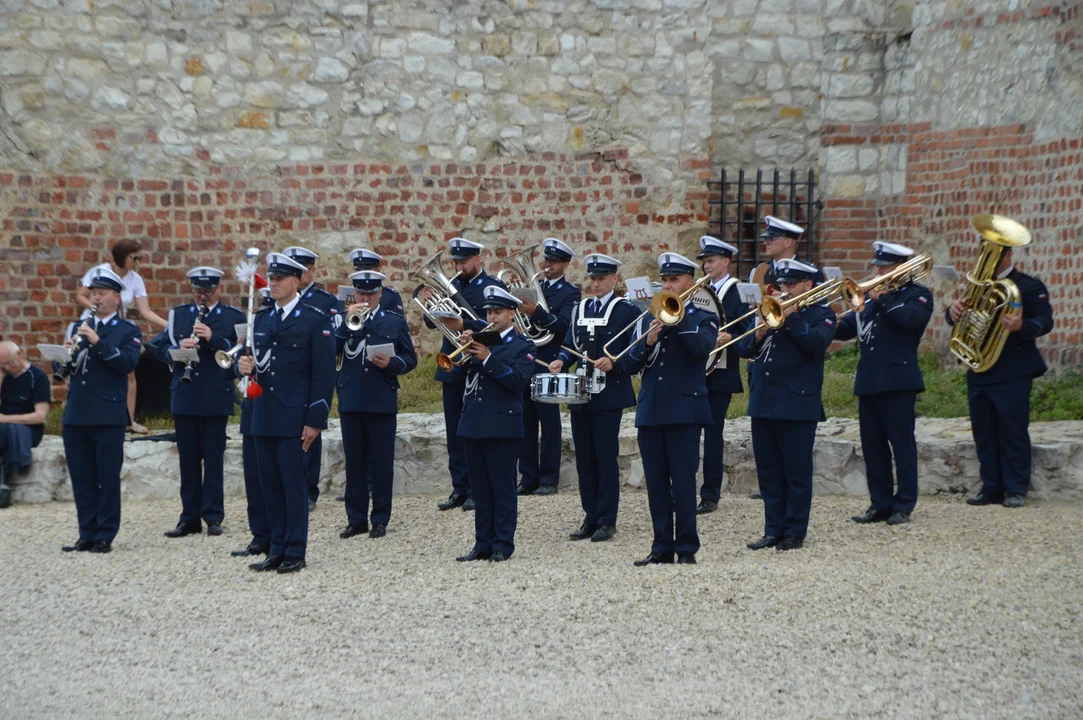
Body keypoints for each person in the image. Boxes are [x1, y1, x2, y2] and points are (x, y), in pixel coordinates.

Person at [236, 253, 335, 574]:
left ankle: (295, 550)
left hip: (294, 416)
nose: (274, 283)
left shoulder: (313, 319)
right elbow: (251, 363)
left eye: (280, 278)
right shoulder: (261, 320)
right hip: (263, 414)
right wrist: (243, 366)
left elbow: (322, 375)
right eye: (271, 278)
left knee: (293, 487)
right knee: (270, 488)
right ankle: (275, 548)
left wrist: (315, 420)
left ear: (296, 280)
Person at [625, 253, 719, 566]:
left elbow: (703, 349)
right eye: (664, 280)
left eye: (674, 280)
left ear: (690, 284)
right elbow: (627, 364)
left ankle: (687, 548)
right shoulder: (647, 317)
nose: (667, 285)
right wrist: (648, 341)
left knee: (682, 483)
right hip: (651, 411)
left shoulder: (702, 316)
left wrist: (679, 317)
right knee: (656, 486)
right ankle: (661, 547)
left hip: (684, 412)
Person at [739, 259, 835, 552]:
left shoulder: (823, 314)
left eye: (791, 284)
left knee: (796, 473)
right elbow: (744, 350)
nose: (785, 290)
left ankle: (794, 531)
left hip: (797, 403)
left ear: (808, 285)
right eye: (782, 285)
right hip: (764, 401)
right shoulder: (769, 311)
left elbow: (817, 344)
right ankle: (773, 529)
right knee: (768, 473)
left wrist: (791, 317)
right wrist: (757, 334)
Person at [948, 246, 1054, 508]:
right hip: (980, 366)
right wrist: (952, 312)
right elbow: (968, 319)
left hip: (1013, 369)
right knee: (983, 431)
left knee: (1013, 430)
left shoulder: (1027, 286)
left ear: (1007, 256)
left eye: (993, 254)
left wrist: (1022, 326)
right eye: (984, 253)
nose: (985, 259)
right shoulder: (978, 285)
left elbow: (1045, 321)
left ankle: (1016, 488)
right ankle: (991, 487)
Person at [836, 242, 934, 525]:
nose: (878, 271)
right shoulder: (872, 301)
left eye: (885, 266)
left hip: (899, 380)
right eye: (877, 265)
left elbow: (908, 320)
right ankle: (879, 504)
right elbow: (850, 331)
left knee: (902, 446)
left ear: (901, 268)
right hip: (869, 381)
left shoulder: (917, 295)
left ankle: (903, 504)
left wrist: (880, 298)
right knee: (873, 447)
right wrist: (828, 321)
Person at [550, 254, 640, 542]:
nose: (596, 284)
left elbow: (634, 350)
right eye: (593, 278)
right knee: (584, 459)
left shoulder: (626, 310)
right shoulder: (580, 309)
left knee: (604, 456)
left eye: (602, 278)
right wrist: (561, 361)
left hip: (609, 394)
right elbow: (569, 344)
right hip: (581, 392)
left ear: (615, 279)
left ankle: (607, 520)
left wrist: (614, 362)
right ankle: (590, 516)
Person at [152, 267, 245, 538]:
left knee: (213, 460)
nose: (202, 295)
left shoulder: (233, 317)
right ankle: (189, 518)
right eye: (197, 291)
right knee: (188, 461)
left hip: (215, 394)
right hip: (185, 394)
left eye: (207, 291)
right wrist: (177, 350)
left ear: (218, 290)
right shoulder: (179, 314)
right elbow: (159, 347)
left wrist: (211, 338)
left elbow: (239, 350)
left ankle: (213, 516)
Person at [60, 266, 143, 553]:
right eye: (93, 293)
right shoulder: (76, 327)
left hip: (107, 414)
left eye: (102, 294)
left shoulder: (128, 330)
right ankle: (86, 533)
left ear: (116, 298)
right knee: (82, 478)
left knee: (106, 477)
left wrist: (97, 342)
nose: (95, 298)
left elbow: (126, 364)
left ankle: (105, 534)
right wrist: (64, 355)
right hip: (77, 412)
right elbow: (64, 367)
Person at [419, 238, 506, 512]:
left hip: (478, 366)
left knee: (474, 433)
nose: (458, 267)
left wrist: (464, 323)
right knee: (454, 433)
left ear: (478, 258)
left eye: (464, 262)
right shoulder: (452, 285)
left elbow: (496, 327)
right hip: (452, 366)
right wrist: (429, 305)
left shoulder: (492, 287)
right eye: (455, 262)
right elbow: (430, 322)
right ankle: (459, 488)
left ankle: (476, 490)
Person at [454, 286, 537, 562]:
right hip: (473, 422)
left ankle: (503, 543)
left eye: (498, 312)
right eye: (489, 311)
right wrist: (463, 348)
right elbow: (457, 374)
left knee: (502, 488)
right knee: (480, 490)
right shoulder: (478, 341)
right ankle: (482, 543)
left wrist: (487, 357)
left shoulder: (522, 345)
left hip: (503, 425)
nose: (492, 316)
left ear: (511, 314)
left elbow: (516, 382)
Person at [336, 270, 417, 540]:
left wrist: (392, 364)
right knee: (355, 463)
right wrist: (346, 324)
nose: (366, 297)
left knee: (381, 464)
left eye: (371, 293)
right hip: (351, 400)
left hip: (381, 400)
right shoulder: (344, 320)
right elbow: (329, 351)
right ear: (354, 294)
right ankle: (355, 519)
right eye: (361, 292)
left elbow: (410, 358)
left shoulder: (393, 322)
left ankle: (380, 518)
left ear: (380, 294)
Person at [76, 240, 167, 434]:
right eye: (134, 258)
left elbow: (145, 311)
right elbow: (81, 296)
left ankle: (128, 420)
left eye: (139, 258)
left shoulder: (136, 279)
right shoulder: (99, 271)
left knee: (129, 372)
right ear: (122, 257)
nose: (137, 262)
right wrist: (97, 308)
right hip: (94, 323)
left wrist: (171, 326)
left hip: (117, 327)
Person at [516, 238, 581, 497]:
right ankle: (528, 478)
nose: (547, 265)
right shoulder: (534, 287)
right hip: (528, 360)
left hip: (550, 360)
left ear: (565, 264)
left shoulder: (570, 292)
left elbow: (564, 326)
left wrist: (536, 313)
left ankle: (549, 478)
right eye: (546, 260)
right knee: (526, 422)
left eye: (553, 262)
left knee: (549, 423)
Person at [281, 245, 343, 512]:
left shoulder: (325, 301)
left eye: (303, 268)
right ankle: (286, 488)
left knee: (310, 435)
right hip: (285, 375)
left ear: (311, 270)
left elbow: (333, 341)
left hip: (310, 374)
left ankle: (309, 490)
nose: (300, 272)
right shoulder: (278, 299)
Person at [695, 235, 751, 515]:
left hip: (721, 369)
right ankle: (683, 487)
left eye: (712, 260)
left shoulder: (737, 290)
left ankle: (711, 493)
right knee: (689, 432)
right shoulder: (698, 290)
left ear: (726, 262)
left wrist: (732, 336)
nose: (707, 266)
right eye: (705, 261)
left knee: (713, 433)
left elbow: (749, 329)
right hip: (695, 368)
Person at [231, 287, 276, 559]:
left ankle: (277, 536)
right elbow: (238, 364)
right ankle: (259, 535)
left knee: (274, 480)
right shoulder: (253, 330)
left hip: (277, 413)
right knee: (253, 479)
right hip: (252, 411)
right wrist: (241, 367)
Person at [0, 341, 51, 508]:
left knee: (5, 429)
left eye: (9, 363)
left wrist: (6, 419)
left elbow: (40, 416)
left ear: (19, 355)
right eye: (2, 365)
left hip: (29, 429)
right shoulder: (3, 376)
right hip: (5, 427)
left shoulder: (37, 377)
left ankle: (4, 482)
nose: (6, 367)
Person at [348, 248, 405, 313]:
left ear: (377, 270)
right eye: (358, 270)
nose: (362, 273)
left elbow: (396, 322)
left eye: (366, 269)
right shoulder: (347, 294)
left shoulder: (390, 296)